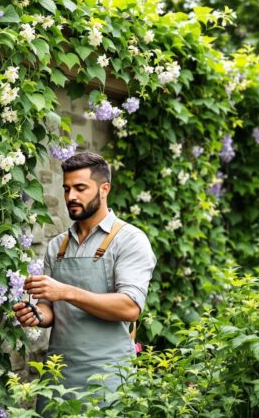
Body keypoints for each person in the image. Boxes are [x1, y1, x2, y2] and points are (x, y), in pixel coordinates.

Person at [12, 151, 157, 407]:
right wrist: (37, 315)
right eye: (66, 189)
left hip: (108, 380)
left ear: (104, 189)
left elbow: (130, 307)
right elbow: (51, 308)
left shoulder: (129, 240)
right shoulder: (57, 245)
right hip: (58, 378)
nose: (71, 197)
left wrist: (66, 291)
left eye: (80, 188)